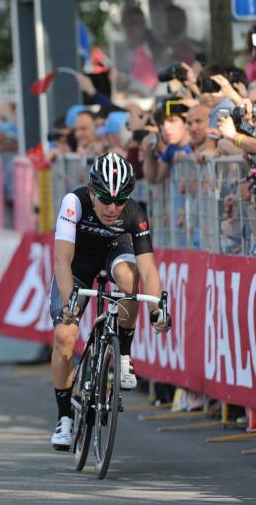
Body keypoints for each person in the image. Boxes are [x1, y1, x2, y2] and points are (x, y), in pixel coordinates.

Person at [49, 152, 169, 451]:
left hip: (116, 252)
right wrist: (68, 302)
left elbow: (149, 268)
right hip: (78, 264)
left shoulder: (134, 213)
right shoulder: (73, 203)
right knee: (64, 337)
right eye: (105, 198)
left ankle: (124, 354)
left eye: (120, 200)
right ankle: (64, 418)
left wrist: (156, 308)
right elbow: (62, 261)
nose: (113, 208)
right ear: (92, 191)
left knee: (129, 279)